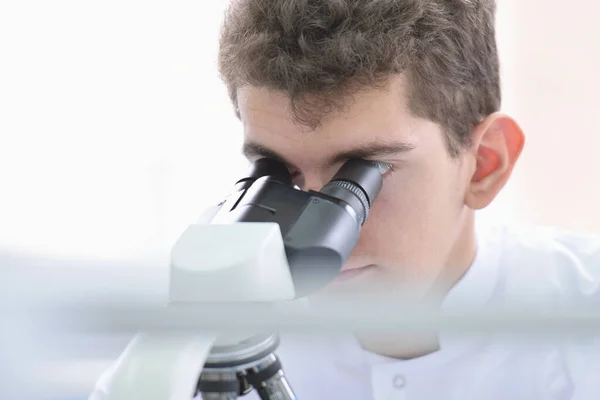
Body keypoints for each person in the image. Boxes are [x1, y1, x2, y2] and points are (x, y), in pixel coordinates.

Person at [91, 1, 600, 399]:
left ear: (485, 164)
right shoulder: (224, 296)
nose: (315, 234)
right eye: (279, 173)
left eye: (363, 176)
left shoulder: (581, 319)